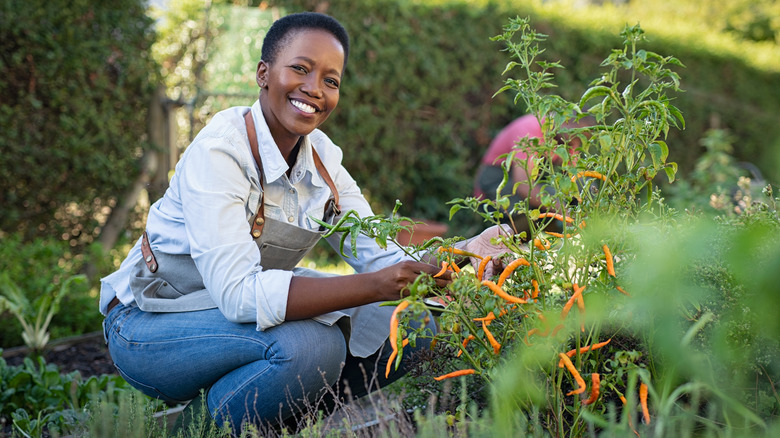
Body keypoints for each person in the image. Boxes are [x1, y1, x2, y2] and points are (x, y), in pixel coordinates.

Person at [100, 12, 508, 434]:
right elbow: (239, 295)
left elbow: (380, 253)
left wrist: (464, 253)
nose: (315, 89)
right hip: (150, 324)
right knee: (312, 347)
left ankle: (272, 423)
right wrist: (378, 285)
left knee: (416, 323)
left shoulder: (323, 160)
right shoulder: (220, 154)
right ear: (263, 73)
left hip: (231, 323)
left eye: (331, 81)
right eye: (300, 68)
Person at [474, 113, 591, 232]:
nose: (575, 142)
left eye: (581, 138)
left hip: (525, 184)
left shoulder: (567, 139)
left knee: (584, 186)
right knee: (552, 197)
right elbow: (523, 186)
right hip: (496, 185)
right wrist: (562, 210)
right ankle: (506, 236)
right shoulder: (530, 130)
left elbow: (578, 176)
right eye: (575, 136)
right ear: (565, 121)